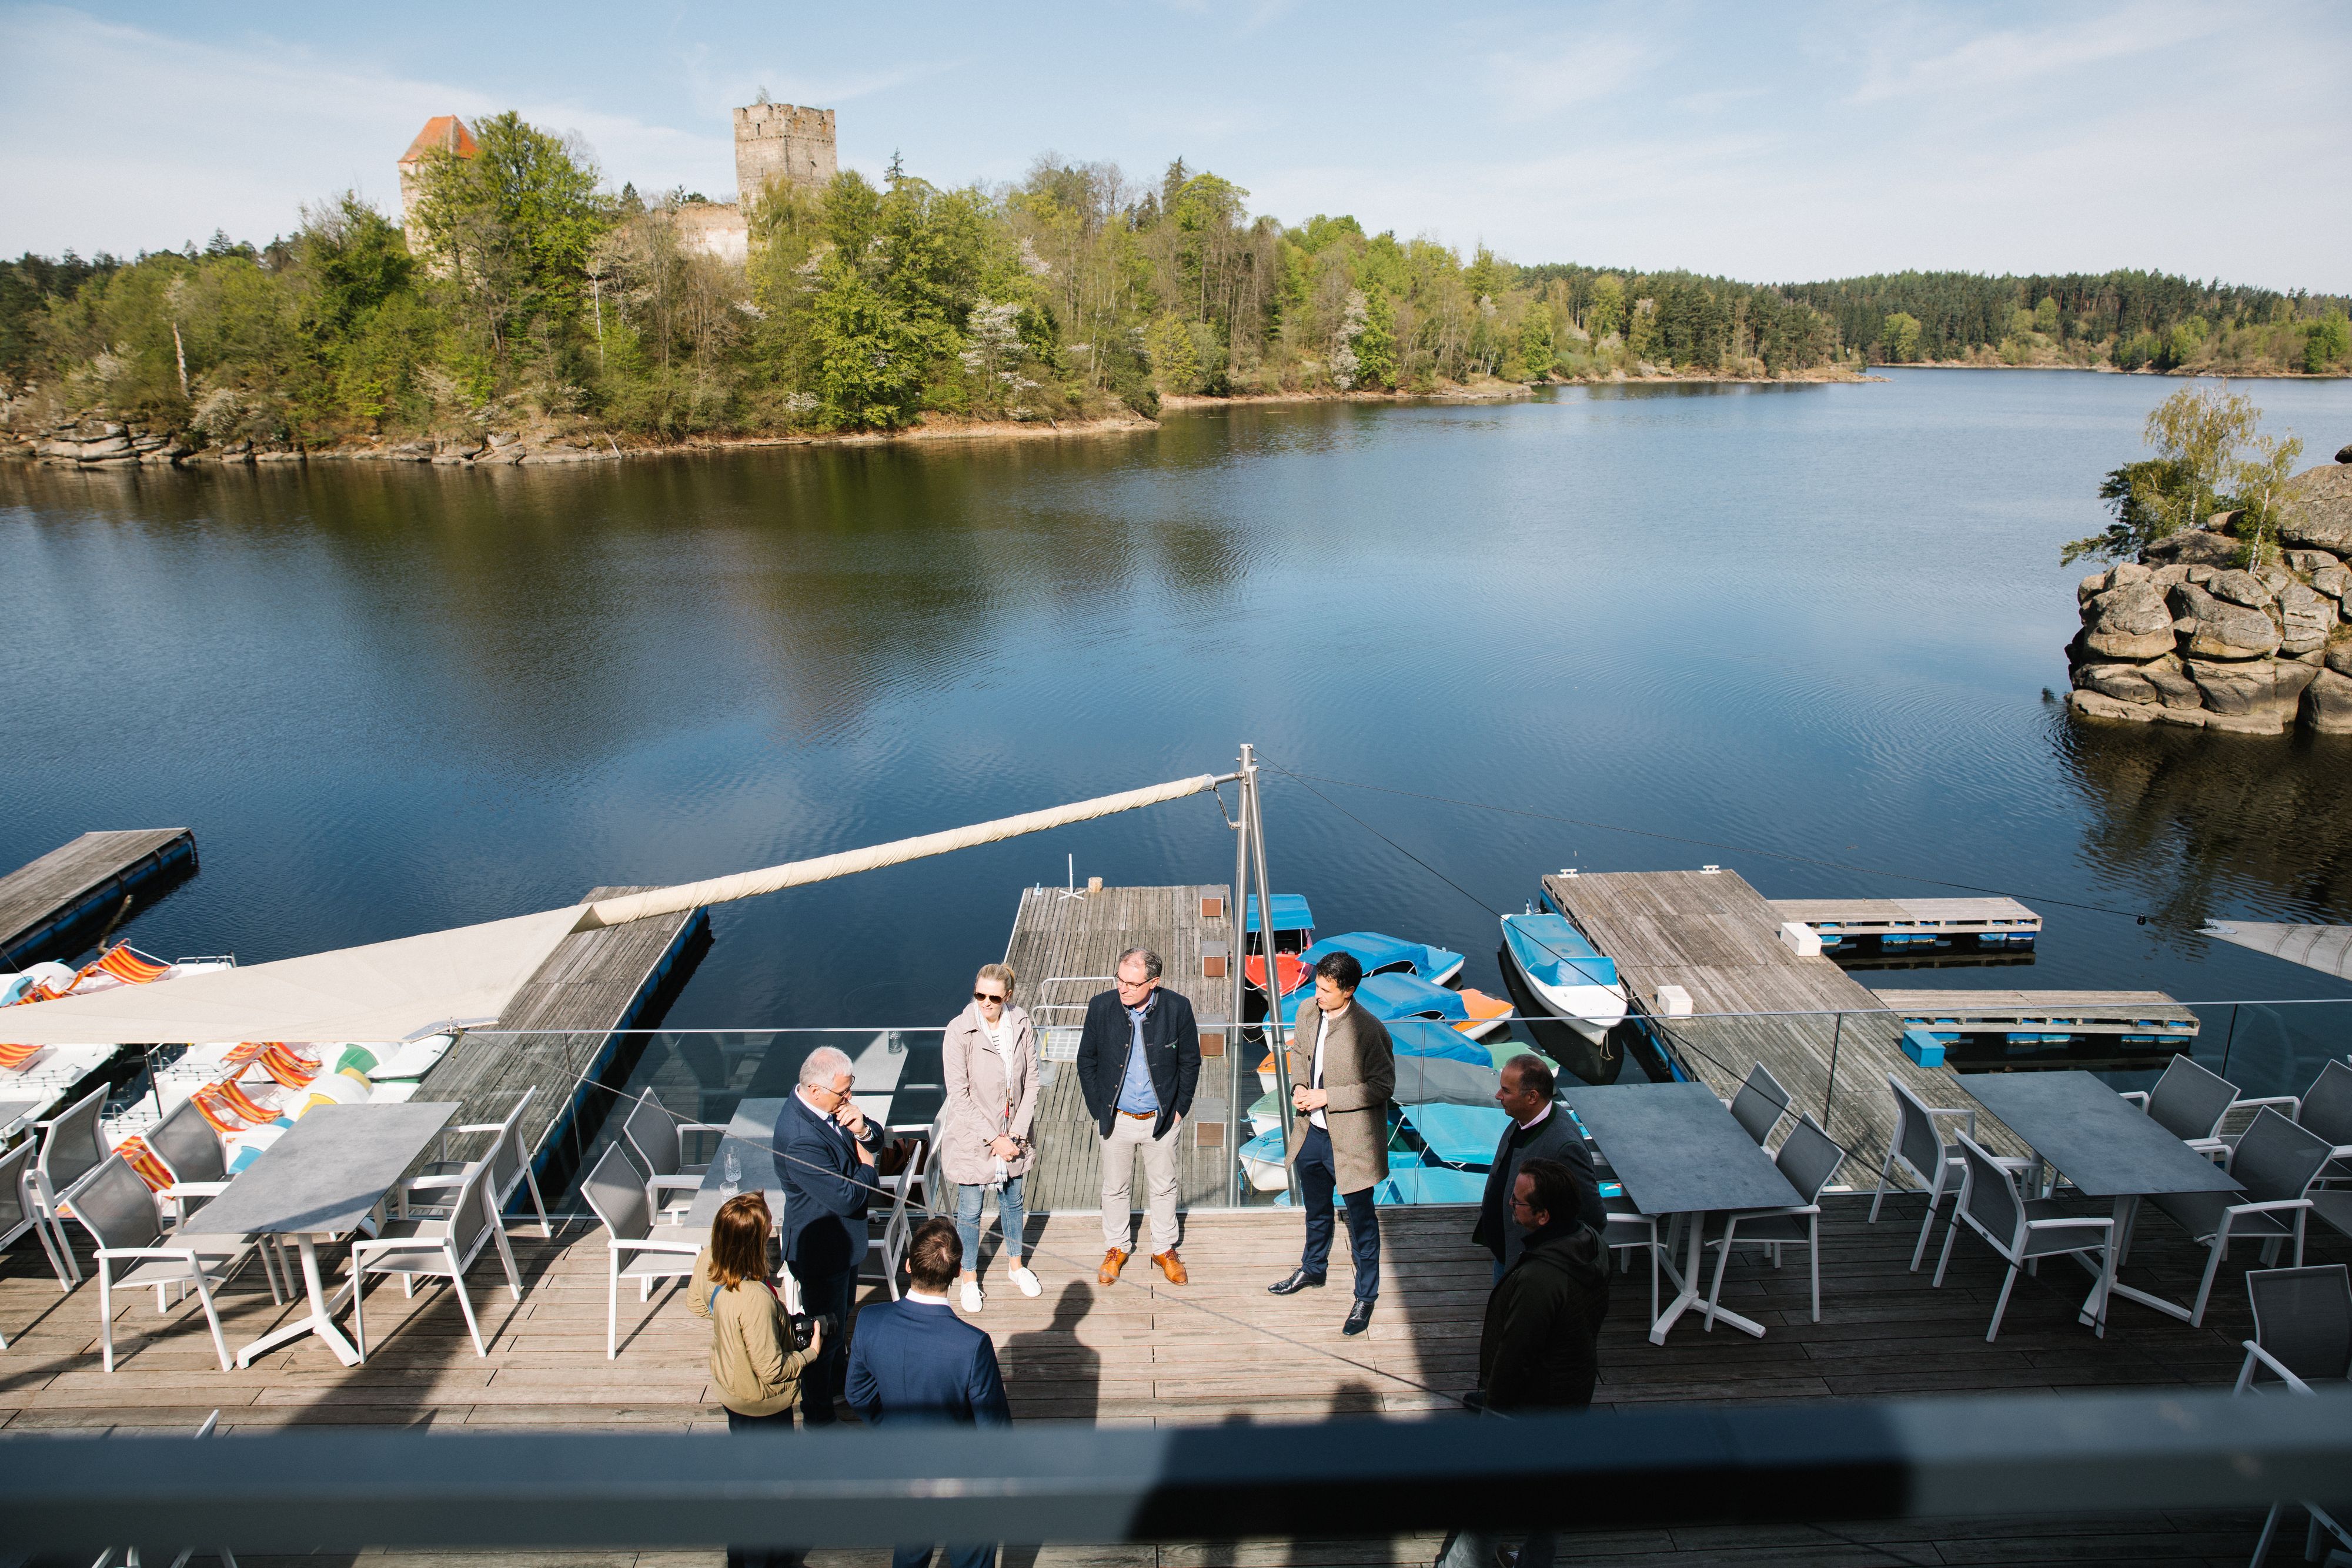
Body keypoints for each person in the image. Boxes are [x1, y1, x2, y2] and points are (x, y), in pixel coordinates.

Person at [1437, 1158, 1611, 1568]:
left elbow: (1515, 1355)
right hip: (1573, 1392)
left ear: (1544, 1215)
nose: (1510, 1204)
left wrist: (1494, 1412)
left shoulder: (1540, 1281)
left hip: (1528, 1407)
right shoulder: (1589, 1242)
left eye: (1517, 1201)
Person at [846, 1216, 1013, 1568]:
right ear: (956, 1273)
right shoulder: (973, 1344)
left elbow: (858, 1395)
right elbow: (995, 1431)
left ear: (908, 1266)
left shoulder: (869, 1321)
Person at [1266, 950, 1395, 1335]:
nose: (1317, 994)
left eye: (1325, 989)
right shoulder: (1308, 1010)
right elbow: (1299, 1054)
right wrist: (1300, 1087)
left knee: (1362, 1222)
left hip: (1351, 1144)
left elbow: (1383, 1086)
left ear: (1349, 991)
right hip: (1311, 1136)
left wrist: (1327, 1096)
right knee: (1316, 1210)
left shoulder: (1369, 1030)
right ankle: (1312, 1268)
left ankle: (1365, 1296)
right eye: (1317, 985)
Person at [692, 1192, 820, 1568]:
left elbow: (697, 1305)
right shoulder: (754, 1298)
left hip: (732, 1391)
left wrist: (730, 1327)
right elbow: (773, 1370)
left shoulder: (708, 1262)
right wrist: (811, 1351)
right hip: (764, 1405)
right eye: (765, 1233)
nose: (770, 1237)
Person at [1075, 946, 1200, 1286]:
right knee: (1114, 1188)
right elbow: (1086, 1060)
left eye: (1132, 983)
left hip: (1162, 1120)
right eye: (1120, 979)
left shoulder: (1178, 1008)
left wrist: (1179, 1111)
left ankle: (1163, 1248)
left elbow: (1190, 1062)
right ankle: (1117, 1247)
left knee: (1164, 1187)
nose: (1123, 988)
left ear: (1154, 983)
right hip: (1116, 1118)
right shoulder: (1101, 1007)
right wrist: (1099, 1108)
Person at [774, 1043, 882, 1426]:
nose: (850, 1097)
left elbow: (876, 1137)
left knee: (841, 1317)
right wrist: (869, 1165)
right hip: (820, 1251)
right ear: (816, 1089)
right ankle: (819, 1414)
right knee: (822, 1334)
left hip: (843, 1243)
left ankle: (840, 1382)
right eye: (844, 1091)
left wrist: (864, 1129)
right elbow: (848, 1195)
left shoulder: (828, 1107)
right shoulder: (800, 1136)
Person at [941, 961, 1043, 1313]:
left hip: (1014, 1134)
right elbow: (959, 1095)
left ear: (1008, 997)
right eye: (979, 995)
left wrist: (1014, 1134)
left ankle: (1016, 1267)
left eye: (993, 997)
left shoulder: (1023, 1023)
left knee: (1013, 1203)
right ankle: (969, 1276)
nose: (985, 1003)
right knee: (969, 1210)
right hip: (974, 1138)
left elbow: (1032, 1082)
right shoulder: (959, 1031)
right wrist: (994, 1139)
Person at [1472, 1054, 1606, 1285]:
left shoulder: (1564, 1147)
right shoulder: (1522, 1119)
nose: (1498, 1096)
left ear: (1532, 1097)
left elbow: (1593, 1217)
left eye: (1506, 1090)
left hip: (1530, 1271)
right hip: (1508, 1258)